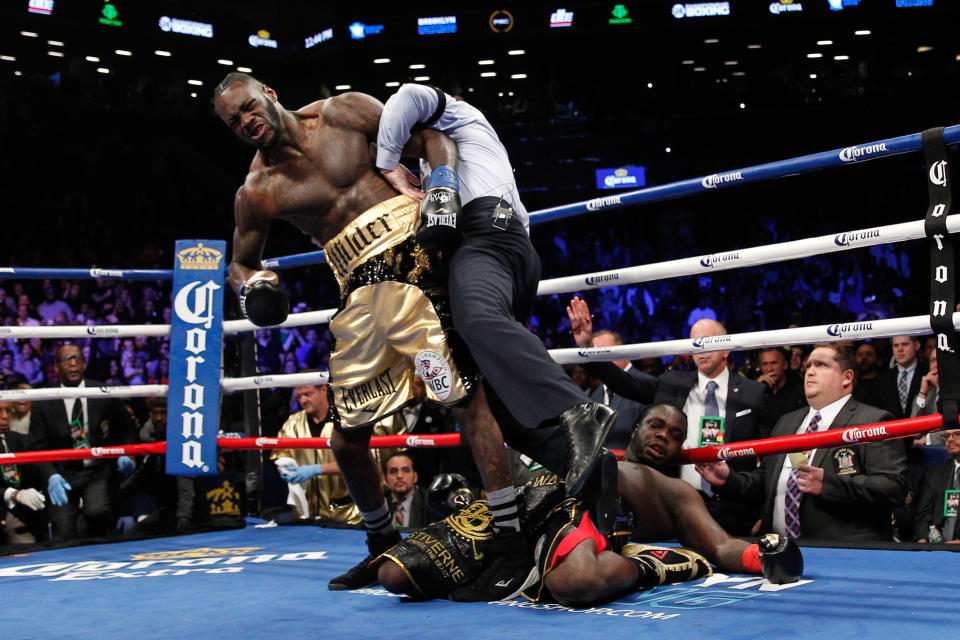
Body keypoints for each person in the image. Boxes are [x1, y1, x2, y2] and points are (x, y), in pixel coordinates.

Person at [213, 74, 612, 598]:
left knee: (464, 400)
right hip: (356, 286)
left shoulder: (343, 112)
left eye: (247, 107)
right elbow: (240, 263)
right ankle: (379, 541)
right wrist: (254, 289)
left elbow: (429, 138)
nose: (246, 122)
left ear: (267, 91)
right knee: (346, 434)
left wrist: (442, 184)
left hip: (416, 259)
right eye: (234, 121)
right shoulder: (258, 190)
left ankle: (510, 541)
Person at [375, 404, 803, 604]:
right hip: (522, 512)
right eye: (657, 426)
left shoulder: (676, 492)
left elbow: (719, 546)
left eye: (676, 435)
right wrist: (467, 499)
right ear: (634, 428)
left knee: (575, 584)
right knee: (393, 575)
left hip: (579, 518)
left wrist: (762, 553)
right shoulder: (579, 450)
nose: (665, 438)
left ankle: (650, 566)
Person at [698, 343, 908, 541]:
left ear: (847, 377)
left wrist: (829, 485)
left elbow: (893, 488)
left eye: (821, 365)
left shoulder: (871, 420)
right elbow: (768, 480)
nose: (810, 371)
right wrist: (728, 479)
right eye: (809, 365)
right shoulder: (788, 422)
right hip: (780, 551)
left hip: (844, 553)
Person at [654, 319, 768, 535]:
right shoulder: (674, 384)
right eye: (695, 343)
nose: (700, 349)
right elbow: (629, 385)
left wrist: (764, 512)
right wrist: (589, 350)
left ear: (725, 349)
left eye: (707, 341)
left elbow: (770, 458)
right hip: (681, 505)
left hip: (735, 509)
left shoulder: (754, 392)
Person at [26, 344, 138, 541]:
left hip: (97, 469)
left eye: (77, 358)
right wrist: (50, 476)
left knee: (97, 512)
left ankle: (98, 556)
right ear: (55, 367)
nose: (73, 363)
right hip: (63, 472)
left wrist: (126, 452)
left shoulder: (103, 392)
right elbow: (37, 446)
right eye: (66, 359)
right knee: (63, 530)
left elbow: (127, 426)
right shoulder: (44, 401)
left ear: (84, 364)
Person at [566, 296, 659, 450]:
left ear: (620, 351)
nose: (601, 359)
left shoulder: (647, 385)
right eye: (596, 354)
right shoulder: (592, 395)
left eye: (602, 352)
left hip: (635, 468)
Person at [1, 400, 46, 545]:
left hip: (21, 512)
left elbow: (37, 466)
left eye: (7, 411)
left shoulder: (15, 439)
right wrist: (13, 494)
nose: (5, 416)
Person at [913, 430, 960, 543]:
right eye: (947, 436)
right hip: (938, 547)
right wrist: (923, 538)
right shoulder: (935, 474)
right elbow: (923, 514)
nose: (950, 439)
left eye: (957, 434)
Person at [384, 453, 432, 529]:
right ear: (385, 480)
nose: (399, 476)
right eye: (393, 471)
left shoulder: (430, 503)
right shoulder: (378, 503)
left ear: (415, 477)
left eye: (406, 470)